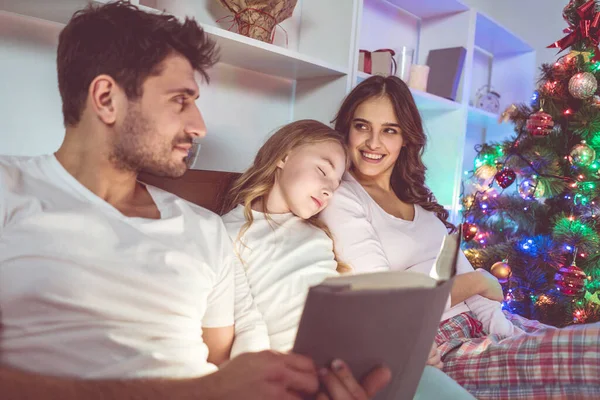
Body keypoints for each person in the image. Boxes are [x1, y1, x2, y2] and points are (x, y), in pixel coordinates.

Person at [0, 2, 390, 399]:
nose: (199, 126)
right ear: (105, 98)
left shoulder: (204, 229)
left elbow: (228, 367)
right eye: (180, 101)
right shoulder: (9, 189)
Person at [320, 75, 600, 399]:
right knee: (589, 355)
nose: (373, 142)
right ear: (346, 129)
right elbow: (389, 301)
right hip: (441, 346)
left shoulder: (416, 201)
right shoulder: (344, 198)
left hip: (490, 323)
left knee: (582, 341)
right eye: (362, 126)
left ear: (406, 139)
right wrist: (478, 281)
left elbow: (460, 274)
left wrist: (506, 332)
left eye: (389, 130)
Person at [221, 119, 475, 399]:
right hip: (299, 375)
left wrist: (408, 346)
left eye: (336, 181)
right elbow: (245, 325)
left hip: (360, 363)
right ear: (284, 156)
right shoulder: (227, 233)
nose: (330, 189)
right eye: (322, 170)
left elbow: (358, 306)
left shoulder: (319, 233)